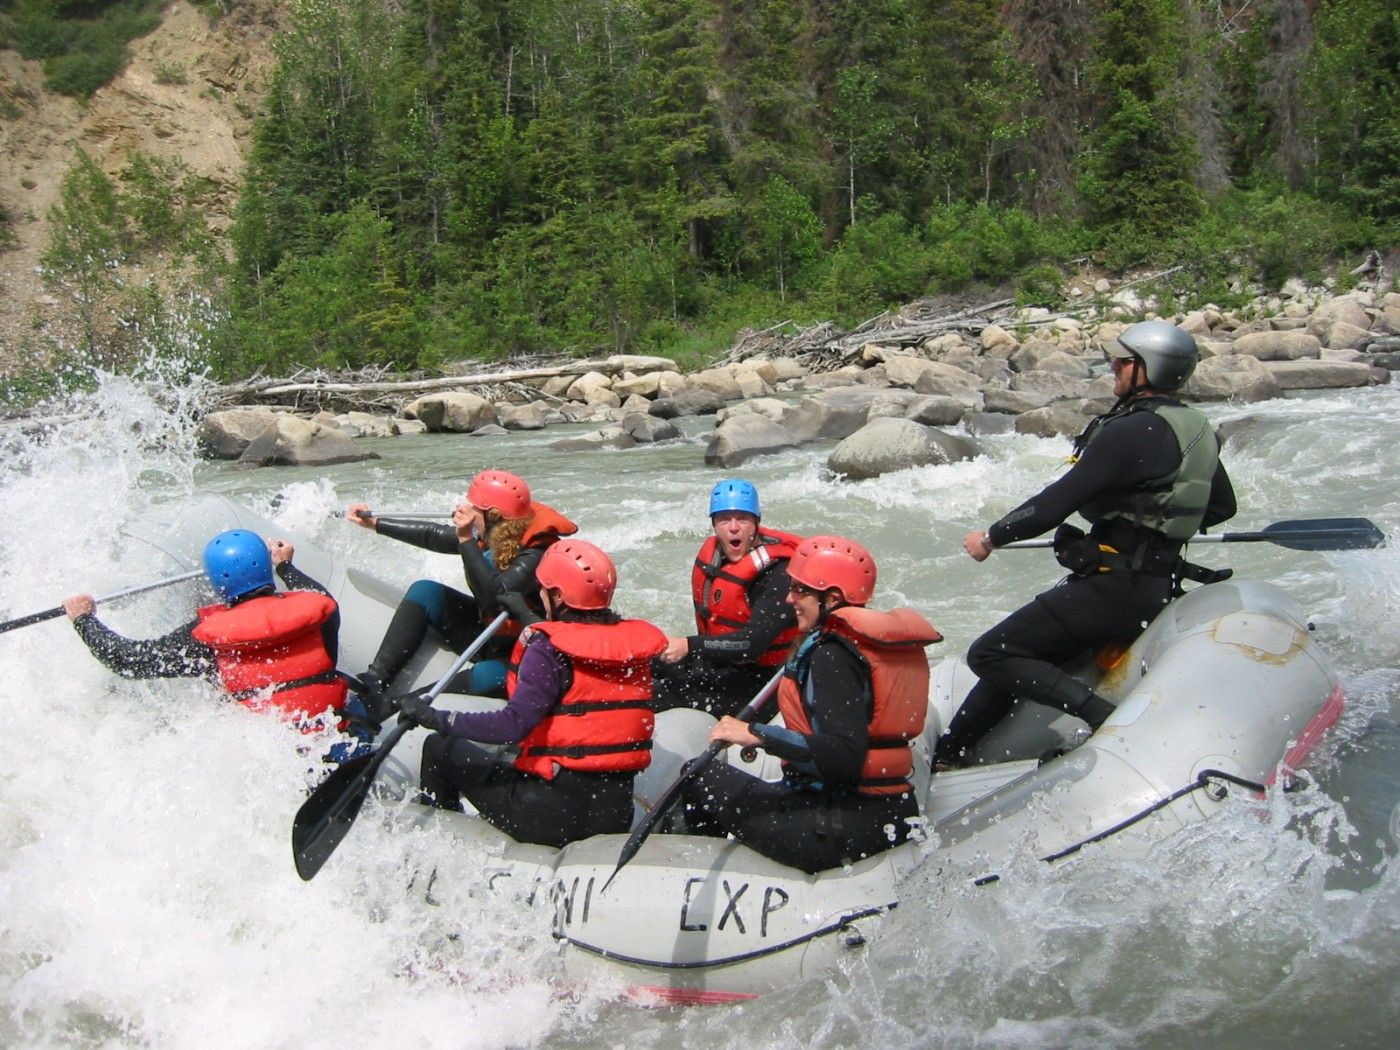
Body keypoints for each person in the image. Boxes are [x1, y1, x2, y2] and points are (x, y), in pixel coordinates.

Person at [936, 320, 1238, 766]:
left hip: (1113, 591)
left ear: (1148, 369)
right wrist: (1151, 516)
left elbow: (1052, 505)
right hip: (1155, 586)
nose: (1113, 366)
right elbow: (1220, 507)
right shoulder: (1196, 428)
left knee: (992, 652)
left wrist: (990, 537)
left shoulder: (1132, 430)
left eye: (1123, 361)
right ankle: (952, 749)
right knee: (1026, 648)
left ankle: (1106, 720)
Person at [679, 535, 942, 873]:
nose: (789, 599)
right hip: (892, 812)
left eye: (800, 591)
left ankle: (700, 876)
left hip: (833, 830)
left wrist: (758, 735)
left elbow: (844, 756)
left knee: (697, 775)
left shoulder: (831, 657)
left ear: (831, 599)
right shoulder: (867, 646)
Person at [397, 539, 667, 849]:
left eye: (543, 589)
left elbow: (512, 726)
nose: (539, 595)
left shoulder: (547, 650)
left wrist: (435, 717)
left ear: (557, 596)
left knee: (438, 749)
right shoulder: (633, 650)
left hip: (546, 818)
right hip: (613, 816)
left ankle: (437, 851)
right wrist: (526, 615)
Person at [345, 470, 576, 716]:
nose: (464, 508)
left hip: (519, 651)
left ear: (494, 515)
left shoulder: (537, 552)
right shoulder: (494, 530)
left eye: (473, 507)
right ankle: (374, 681)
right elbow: (435, 535)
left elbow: (495, 597)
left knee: (488, 674)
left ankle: (393, 707)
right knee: (425, 590)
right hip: (487, 633)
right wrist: (376, 524)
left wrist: (465, 538)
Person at [63, 529, 347, 723]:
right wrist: (285, 566)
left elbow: (128, 659)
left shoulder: (208, 638)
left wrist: (83, 619)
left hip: (270, 755)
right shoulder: (321, 611)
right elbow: (315, 591)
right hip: (328, 737)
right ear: (265, 569)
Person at [652, 479, 803, 718]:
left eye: (743, 519)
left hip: (759, 685)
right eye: (724, 520)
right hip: (720, 666)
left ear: (756, 523)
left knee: (657, 693)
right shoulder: (714, 557)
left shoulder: (779, 575)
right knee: (644, 663)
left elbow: (752, 644)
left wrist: (688, 646)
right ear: (714, 525)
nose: (733, 528)